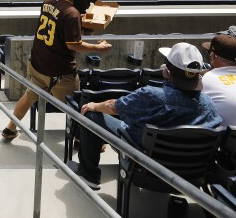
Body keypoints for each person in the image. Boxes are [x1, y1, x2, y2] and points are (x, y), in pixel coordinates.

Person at [71, 42, 223, 190]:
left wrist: (94, 106)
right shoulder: (209, 105)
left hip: (146, 166)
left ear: (167, 71)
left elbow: (114, 107)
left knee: (91, 115)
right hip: (191, 177)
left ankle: (88, 175)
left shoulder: (151, 96)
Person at [2, 0, 112, 141]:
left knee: (30, 95)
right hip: (60, 71)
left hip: (39, 65)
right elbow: (73, 45)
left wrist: (79, 18)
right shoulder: (71, 13)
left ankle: (10, 128)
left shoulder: (49, 1)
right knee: (76, 107)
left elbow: (60, 19)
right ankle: (80, 140)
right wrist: (99, 47)